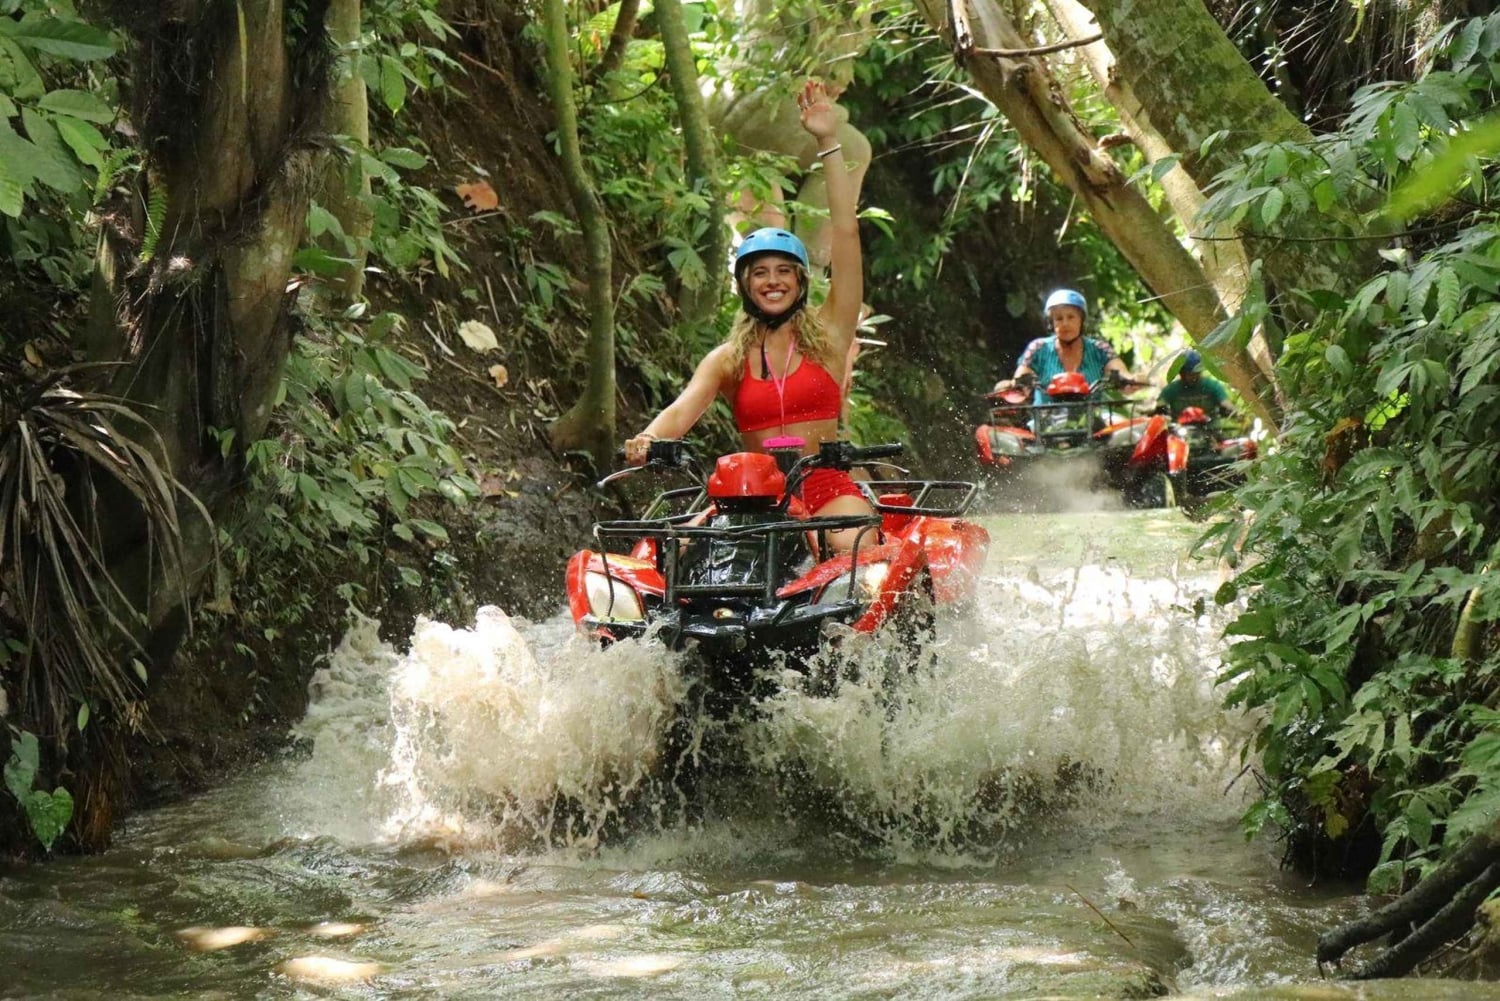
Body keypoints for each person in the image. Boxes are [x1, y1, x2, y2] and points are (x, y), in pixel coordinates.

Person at [624, 81, 871, 550]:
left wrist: (826, 142)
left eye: (784, 272)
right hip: (750, 497)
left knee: (849, 547)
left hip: (824, 490)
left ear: (800, 283)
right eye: (760, 273)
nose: (772, 281)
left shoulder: (831, 333)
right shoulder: (728, 358)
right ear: (745, 285)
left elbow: (845, 233)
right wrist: (646, 439)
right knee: (671, 553)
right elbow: (680, 412)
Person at [992, 289, 1135, 404]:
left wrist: (1131, 381)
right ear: (1051, 323)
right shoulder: (1038, 348)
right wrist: (1013, 388)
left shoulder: (1100, 349)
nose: (1065, 323)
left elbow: (1121, 374)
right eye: (1059, 318)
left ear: (1081, 321)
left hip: (1094, 422)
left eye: (1071, 317)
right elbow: (1022, 383)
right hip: (1046, 424)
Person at [1154, 349, 1234, 420]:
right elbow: (1160, 405)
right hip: (1179, 429)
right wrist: (1161, 410)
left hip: (1210, 428)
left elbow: (1225, 403)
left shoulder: (1212, 386)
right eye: (1189, 374)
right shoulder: (1172, 389)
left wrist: (1229, 410)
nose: (1193, 377)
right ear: (1182, 373)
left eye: (1196, 373)